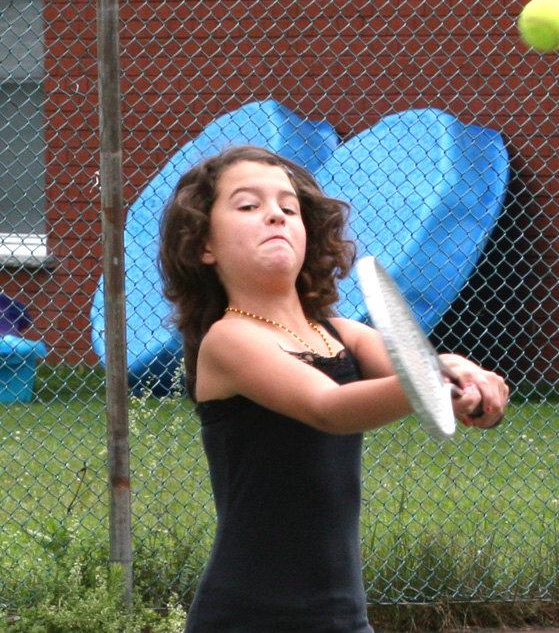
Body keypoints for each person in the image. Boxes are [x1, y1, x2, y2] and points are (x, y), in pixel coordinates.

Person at [159, 144, 509, 633]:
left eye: (288, 207)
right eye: (248, 205)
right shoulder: (229, 339)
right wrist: (435, 374)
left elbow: (416, 377)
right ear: (203, 245)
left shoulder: (341, 333)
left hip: (341, 615)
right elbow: (331, 407)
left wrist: (472, 391)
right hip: (248, 616)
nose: (275, 216)